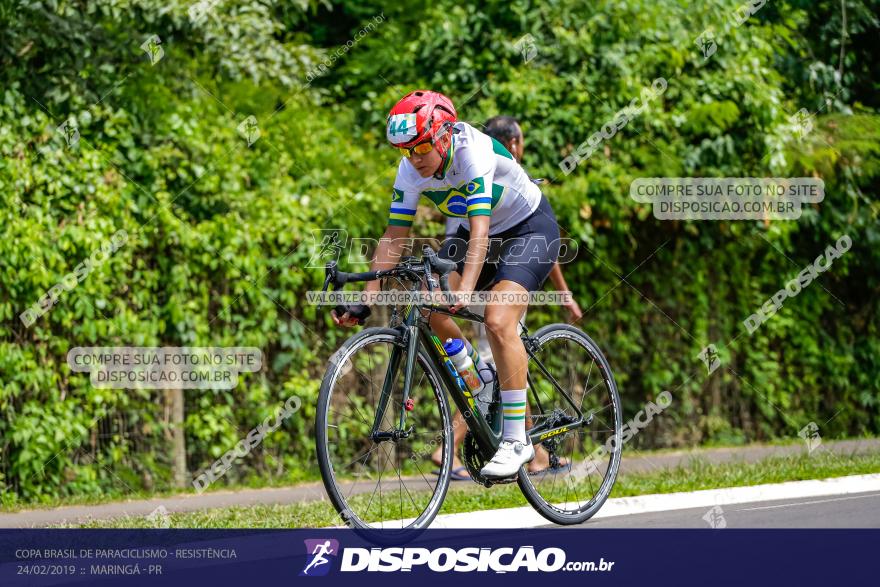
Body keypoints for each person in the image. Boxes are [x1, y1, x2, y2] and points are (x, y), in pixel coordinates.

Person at [333, 90, 561, 478]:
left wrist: (466, 289)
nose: (414, 159)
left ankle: (516, 440)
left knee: (498, 319)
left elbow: (480, 229)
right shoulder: (410, 168)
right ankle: (480, 377)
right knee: (426, 303)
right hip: (473, 235)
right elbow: (392, 237)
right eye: (405, 151)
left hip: (527, 230)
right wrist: (365, 300)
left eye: (420, 148)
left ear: (443, 135)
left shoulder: (472, 150)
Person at [436, 115, 580, 479]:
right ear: (513, 143)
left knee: (501, 333)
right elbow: (470, 237)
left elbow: (545, 239)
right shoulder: (467, 169)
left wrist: (560, 290)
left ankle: (525, 446)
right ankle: (462, 444)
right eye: (522, 140)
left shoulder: (500, 171)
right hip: (474, 255)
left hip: (513, 252)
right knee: (490, 352)